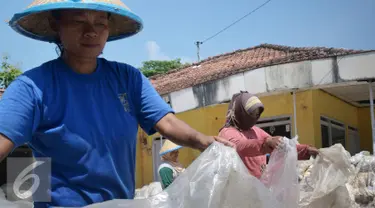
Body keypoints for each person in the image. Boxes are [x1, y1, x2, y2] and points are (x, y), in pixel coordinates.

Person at [0, 1, 234, 207]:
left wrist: (202, 140)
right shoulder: (32, 87)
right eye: (78, 21)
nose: (91, 31)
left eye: (100, 23)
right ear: (55, 24)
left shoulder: (128, 79)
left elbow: (167, 121)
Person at [218, 91, 319, 179]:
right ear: (240, 112)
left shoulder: (255, 130)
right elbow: (239, 146)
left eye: (257, 114)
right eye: (251, 113)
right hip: (239, 191)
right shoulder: (227, 132)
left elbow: (280, 146)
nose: (255, 117)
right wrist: (265, 144)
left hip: (259, 188)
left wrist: (306, 150)